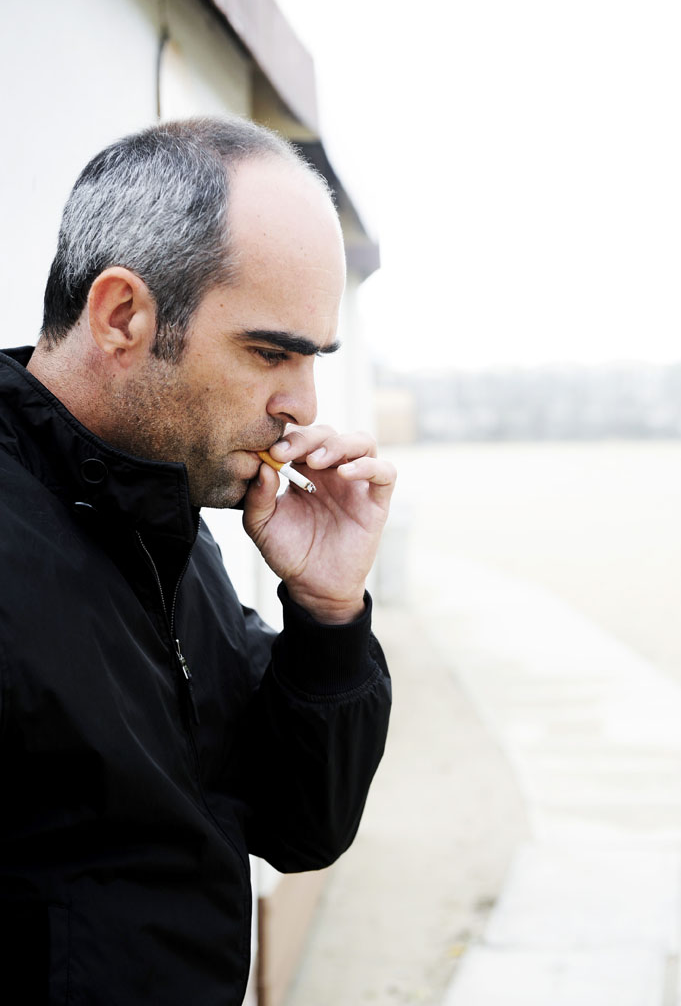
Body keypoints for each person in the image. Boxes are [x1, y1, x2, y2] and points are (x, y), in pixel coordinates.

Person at [0, 117, 394, 1005]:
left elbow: (301, 826)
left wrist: (328, 615)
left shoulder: (159, 515)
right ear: (123, 316)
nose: (301, 408)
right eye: (269, 353)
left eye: (314, 359)